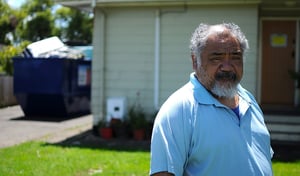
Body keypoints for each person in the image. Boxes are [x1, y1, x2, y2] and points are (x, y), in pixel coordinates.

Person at [150, 23, 273, 176]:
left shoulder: (249, 101)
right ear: (195, 61)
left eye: (235, 57)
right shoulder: (178, 109)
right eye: (216, 58)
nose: (227, 67)